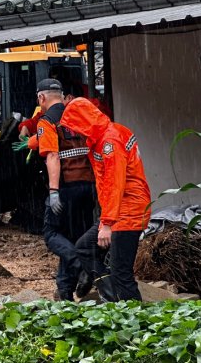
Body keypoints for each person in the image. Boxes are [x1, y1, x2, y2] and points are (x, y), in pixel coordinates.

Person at [60, 97, 151, 301]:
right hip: (120, 209)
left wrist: (107, 223)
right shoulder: (105, 135)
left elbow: (115, 184)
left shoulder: (109, 142)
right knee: (85, 247)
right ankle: (110, 295)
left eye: (75, 127)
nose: (75, 134)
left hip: (127, 211)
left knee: (122, 273)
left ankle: (135, 319)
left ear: (84, 121)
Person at [33, 79, 96, 301]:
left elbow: (52, 156)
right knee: (72, 237)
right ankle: (65, 290)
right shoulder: (78, 115)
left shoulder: (47, 121)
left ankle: (81, 269)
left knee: (52, 235)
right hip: (89, 186)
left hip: (66, 187)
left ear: (42, 98)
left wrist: (53, 191)